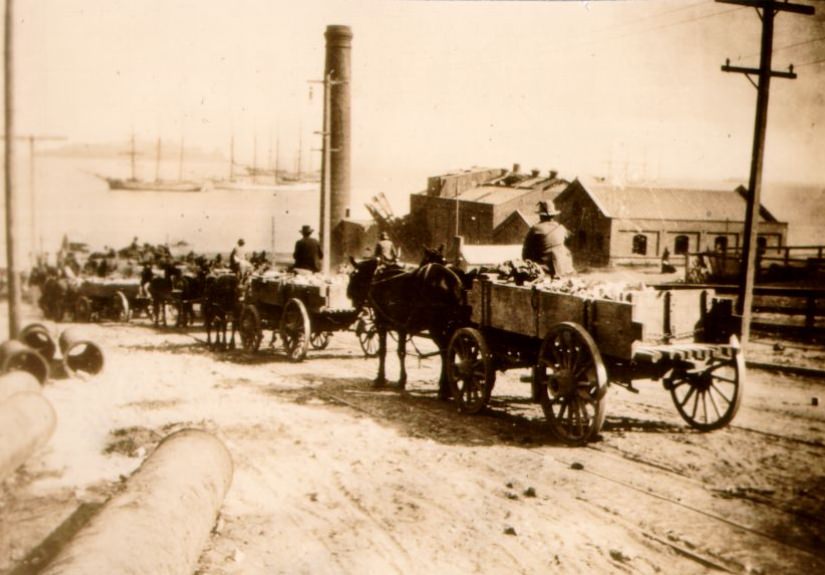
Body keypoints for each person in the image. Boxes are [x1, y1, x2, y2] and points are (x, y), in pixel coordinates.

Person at [521, 201, 574, 277]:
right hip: (563, 267)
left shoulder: (535, 229)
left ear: (540, 216)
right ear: (553, 215)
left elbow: (526, 252)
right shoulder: (561, 228)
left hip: (545, 268)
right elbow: (569, 241)